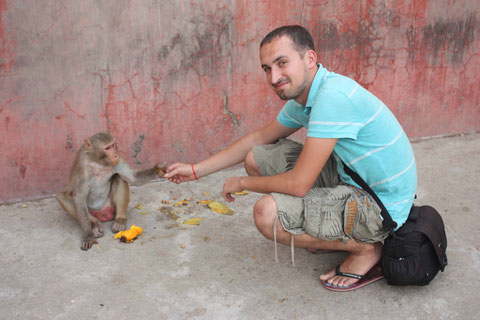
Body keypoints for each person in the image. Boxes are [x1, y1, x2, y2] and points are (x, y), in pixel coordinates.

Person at [165, 25, 417, 292]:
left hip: (380, 206)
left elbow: (299, 184)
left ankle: (367, 248)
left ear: (309, 59)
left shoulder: (332, 98)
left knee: (267, 214)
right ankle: (331, 231)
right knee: (256, 157)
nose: (274, 77)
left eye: (282, 63)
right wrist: (195, 170)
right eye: (266, 69)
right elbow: (258, 139)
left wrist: (240, 183)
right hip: (355, 177)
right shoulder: (306, 97)